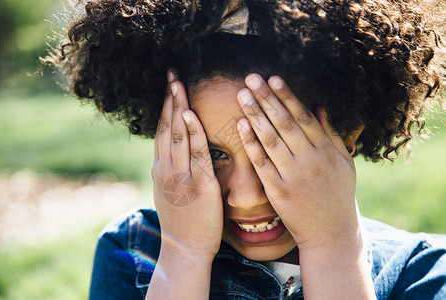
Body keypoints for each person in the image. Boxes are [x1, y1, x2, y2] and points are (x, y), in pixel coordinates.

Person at [47, 0, 446, 299]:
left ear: (348, 133)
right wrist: (183, 254)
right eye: (213, 153)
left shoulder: (424, 271)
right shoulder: (134, 249)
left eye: (273, 150)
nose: (247, 196)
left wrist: (332, 247)